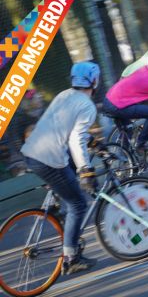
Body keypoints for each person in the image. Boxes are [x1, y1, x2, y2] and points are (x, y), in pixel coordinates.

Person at [21, 62, 101, 275]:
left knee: (69, 188)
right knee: (78, 204)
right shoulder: (87, 105)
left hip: (31, 153)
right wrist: (86, 170)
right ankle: (71, 258)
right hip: (50, 159)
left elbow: (65, 126)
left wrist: (91, 141)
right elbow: (76, 139)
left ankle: (62, 216)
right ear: (94, 81)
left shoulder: (64, 95)